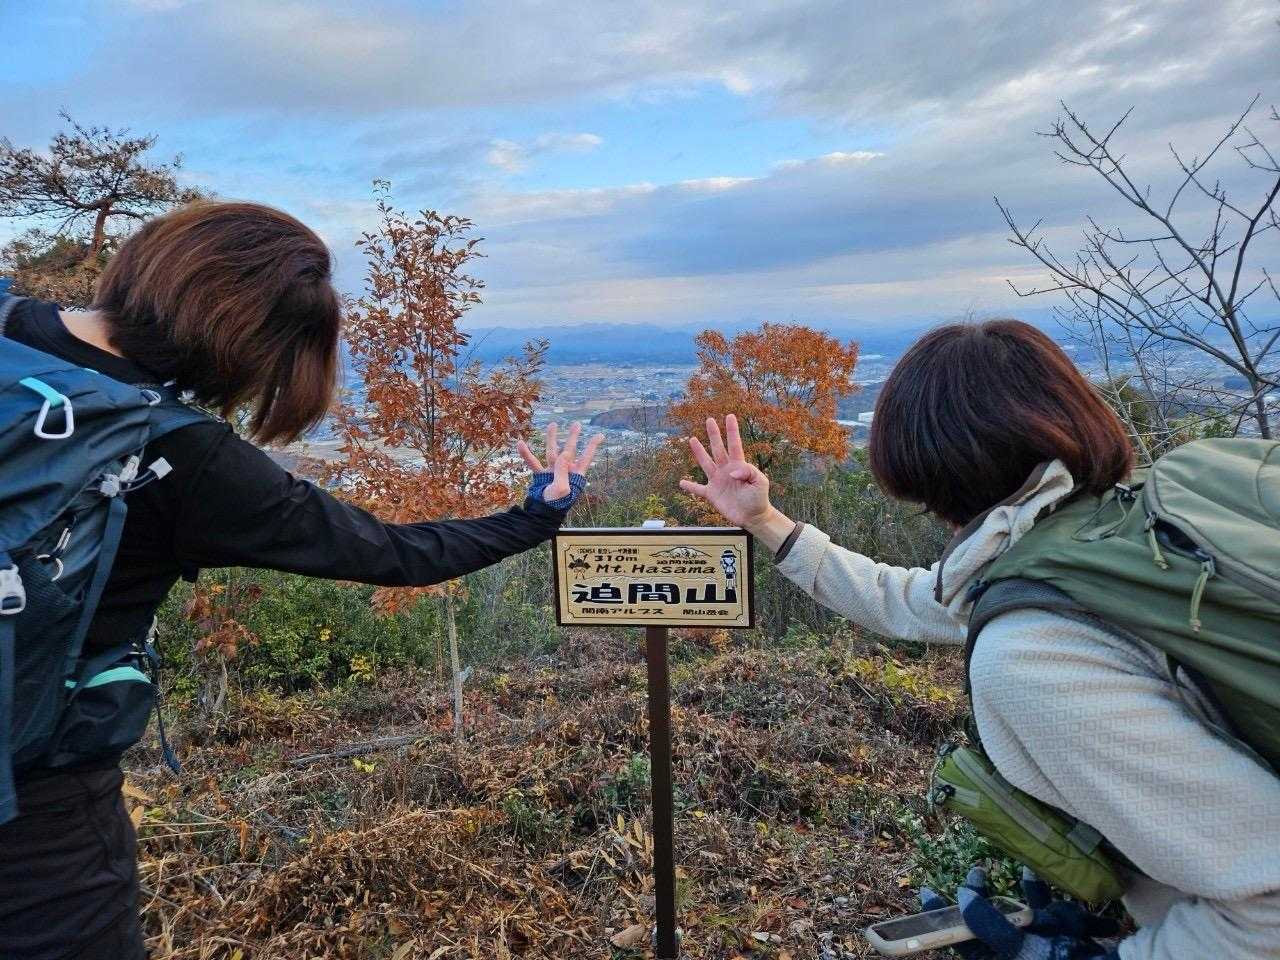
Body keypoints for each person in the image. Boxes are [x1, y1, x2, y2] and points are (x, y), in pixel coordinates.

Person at [0, 201, 601, 960]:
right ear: (254, 344)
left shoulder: (11, 324)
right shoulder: (190, 458)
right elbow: (391, 552)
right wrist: (536, 516)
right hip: (39, 813)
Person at [681, 320, 1280, 959]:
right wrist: (766, 522)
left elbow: (1265, 906)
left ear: (939, 475)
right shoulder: (1129, 524)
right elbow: (904, 597)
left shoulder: (1030, 653)